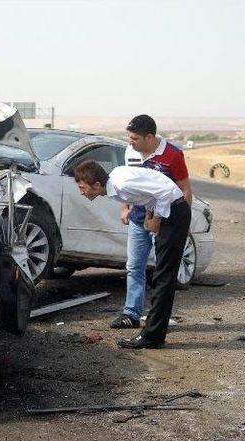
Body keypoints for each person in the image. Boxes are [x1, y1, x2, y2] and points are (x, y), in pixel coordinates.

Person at [74, 160, 190, 349]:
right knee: (162, 277)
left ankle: (152, 337)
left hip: (174, 213)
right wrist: (149, 215)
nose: (81, 192)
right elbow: (150, 193)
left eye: (82, 187)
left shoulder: (122, 184)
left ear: (96, 185)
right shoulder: (117, 180)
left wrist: (157, 219)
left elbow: (166, 191)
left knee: (163, 277)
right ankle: (154, 334)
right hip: (169, 211)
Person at [111, 114, 192, 329]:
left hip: (164, 222)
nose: (130, 142)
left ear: (149, 137)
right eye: (129, 138)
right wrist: (125, 207)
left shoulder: (172, 155)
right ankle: (131, 313)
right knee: (134, 267)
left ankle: (157, 318)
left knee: (162, 272)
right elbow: (130, 183)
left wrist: (182, 224)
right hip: (139, 220)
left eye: (134, 138)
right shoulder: (131, 152)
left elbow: (184, 189)